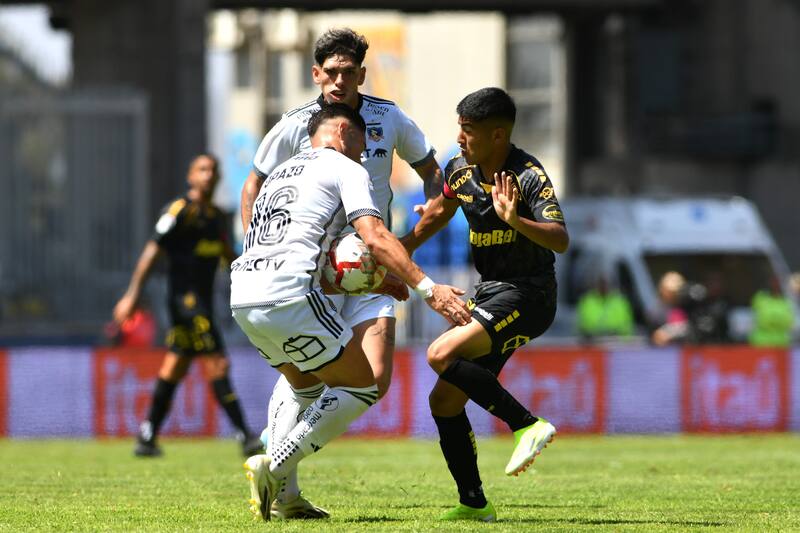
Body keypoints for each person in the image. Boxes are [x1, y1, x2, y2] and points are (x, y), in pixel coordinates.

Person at [238, 28, 443, 518]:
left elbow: (430, 169)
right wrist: (256, 244)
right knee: (317, 382)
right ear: (316, 75)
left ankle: (279, 481)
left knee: (371, 376)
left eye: (347, 72)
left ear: (361, 75)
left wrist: (428, 212)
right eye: (329, 72)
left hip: (371, 264)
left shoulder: (387, 118)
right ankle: (281, 481)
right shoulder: (295, 126)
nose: (338, 80)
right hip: (314, 273)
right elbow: (254, 187)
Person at [401, 87, 569, 522]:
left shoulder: (528, 175)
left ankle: (528, 425)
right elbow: (441, 210)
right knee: (444, 402)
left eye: (468, 130)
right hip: (492, 291)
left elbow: (561, 239)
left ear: (498, 135)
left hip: (530, 294)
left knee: (441, 352)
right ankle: (474, 503)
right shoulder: (460, 171)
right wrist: (400, 251)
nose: (459, 137)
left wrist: (516, 220)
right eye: (459, 127)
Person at [112, 154, 263, 458]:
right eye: (202, 170)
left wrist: (256, 276)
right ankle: (245, 435)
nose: (209, 175)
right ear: (190, 176)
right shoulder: (178, 211)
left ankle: (147, 435)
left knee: (175, 366)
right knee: (218, 362)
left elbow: (226, 254)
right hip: (185, 303)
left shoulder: (217, 216)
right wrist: (131, 295)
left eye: (213, 170)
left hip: (203, 302)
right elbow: (151, 253)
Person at [575, 276, 634, 340]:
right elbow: (581, 325)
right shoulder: (586, 301)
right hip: (593, 344)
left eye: (606, 283)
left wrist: (617, 333)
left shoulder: (621, 302)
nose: (603, 286)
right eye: (601, 283)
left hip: (617, 344)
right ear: (596, 285)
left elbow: (627, 326)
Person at [749, 274, 795, 347]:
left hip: (782, 343)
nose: (776, 285)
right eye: (774, 282)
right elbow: (761, 319)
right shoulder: (760, 298)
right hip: (762, 342)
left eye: (778, 283)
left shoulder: (786, 301)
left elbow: (789, 322)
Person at [651, 271, 690, 346]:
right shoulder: (656, 311)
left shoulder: (687, 307)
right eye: (669, 291)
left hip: (686, 350)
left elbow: (692, 327)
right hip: (665, 353)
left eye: (675, 291)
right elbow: (655, 336)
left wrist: (670, 333)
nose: (672, 295)